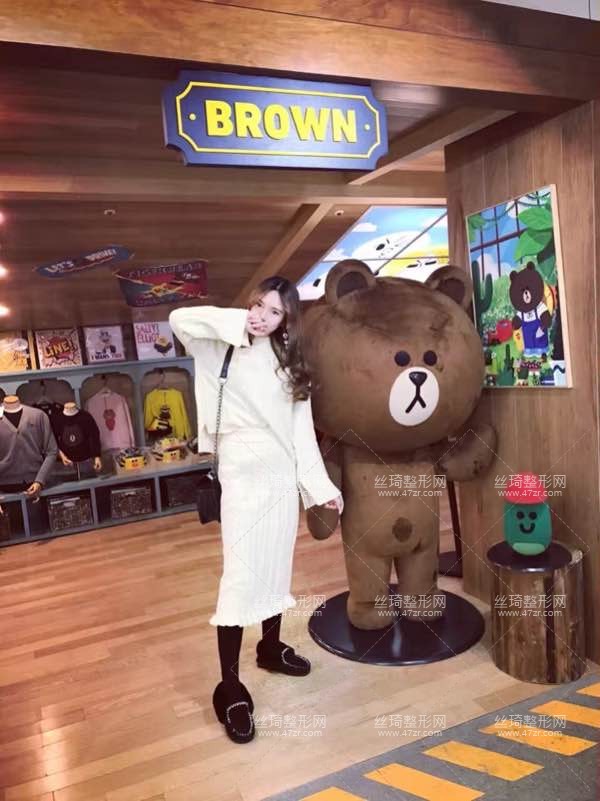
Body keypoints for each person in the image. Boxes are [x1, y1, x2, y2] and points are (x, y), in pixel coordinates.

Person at [168, 276, 343, 744]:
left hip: (280, 477)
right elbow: (178, 318)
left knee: (276, 567)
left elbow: (301, 434)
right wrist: (238, 322)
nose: (262, 317)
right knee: (241, 578)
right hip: (242, 477)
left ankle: (269, 647)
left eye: (274, 312)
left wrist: (320, 488)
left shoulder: (290, 365)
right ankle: (229, 687)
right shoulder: (218, 345)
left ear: (287, 320)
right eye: (258, 305)